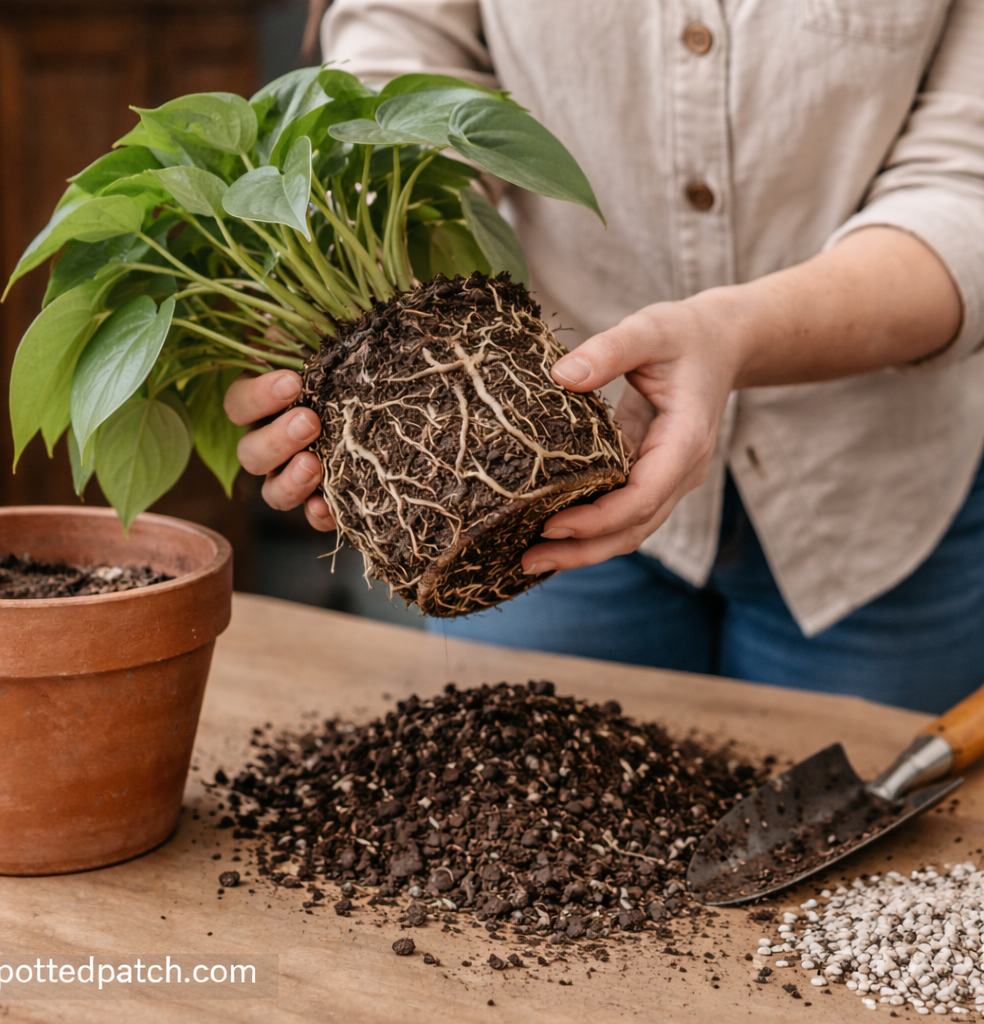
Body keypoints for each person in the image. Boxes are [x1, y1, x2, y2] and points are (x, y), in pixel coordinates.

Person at [225, 0, 984, 714]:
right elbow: (395, 81)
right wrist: (351, 344)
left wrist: (735, 332)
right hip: (533, 471)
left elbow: (964, 187)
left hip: (877, 496)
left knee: (868, 831)